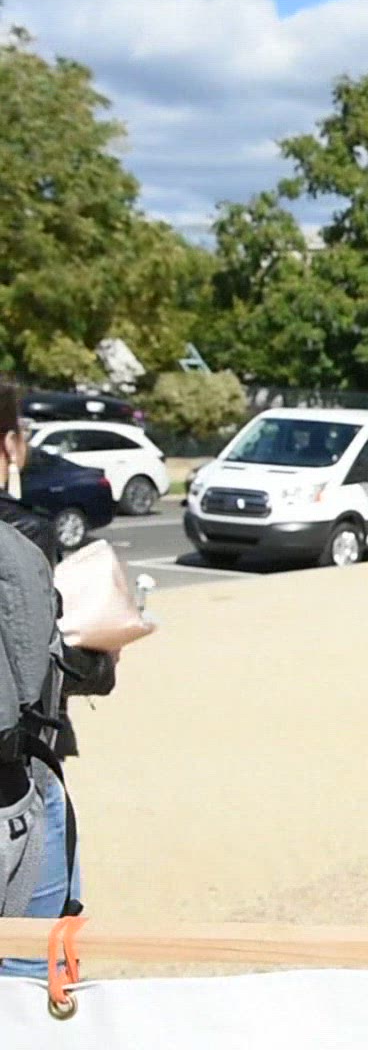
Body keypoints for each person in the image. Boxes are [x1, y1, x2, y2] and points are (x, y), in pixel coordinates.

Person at [1, 378, 114, 975]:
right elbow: (38, 671)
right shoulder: (23, 537)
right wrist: (102, 659)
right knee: (32, 967)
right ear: (11, 445)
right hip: (18, 780)